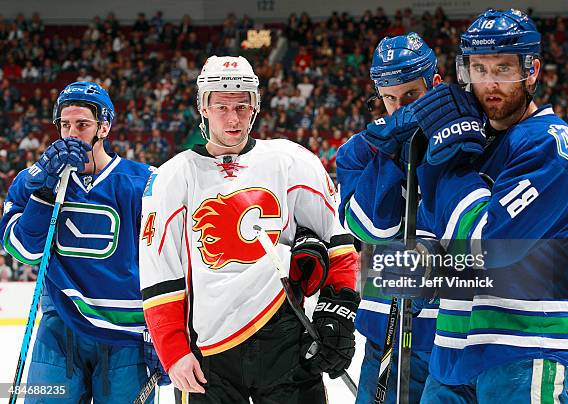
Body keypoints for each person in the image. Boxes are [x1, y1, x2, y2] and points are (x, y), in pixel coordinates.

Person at [367, 9, 568, 402]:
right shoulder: (474, 143)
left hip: (526, 346)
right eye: (478, 69)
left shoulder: (553, 145)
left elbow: (487, 247)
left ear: (532, 69)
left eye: (503, 69)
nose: (489, 83)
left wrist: (444, 163)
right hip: (452, 353)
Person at [139, 56, 360, 403]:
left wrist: (338, 315)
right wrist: (173, 351)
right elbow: (159, 273)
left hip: (287, 340)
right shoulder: (172, 176)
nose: (233, 118)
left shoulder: (291, 161)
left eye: (242, 106)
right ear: (203, 106)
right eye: (222, 106)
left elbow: (338, 243)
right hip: (209, 353)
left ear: (255, 106)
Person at [0, 81, 164, 402]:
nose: (72, 133)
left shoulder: (144, 182)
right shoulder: (33, 180)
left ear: (104, 127)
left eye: (83, 125)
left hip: (126, 336)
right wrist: (45, 192)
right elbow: (26, 251)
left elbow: (168, 260)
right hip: (58, 330)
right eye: (65, 124)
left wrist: (167, 331)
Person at [335, 33, 442, 403]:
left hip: (452, 335)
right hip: (385, 335)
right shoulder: (358, 151)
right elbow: (371, 227)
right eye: (390, 98)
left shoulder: (469, 144)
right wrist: (390, 153)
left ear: (436, 85)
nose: (399, 110)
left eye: (411, 96)